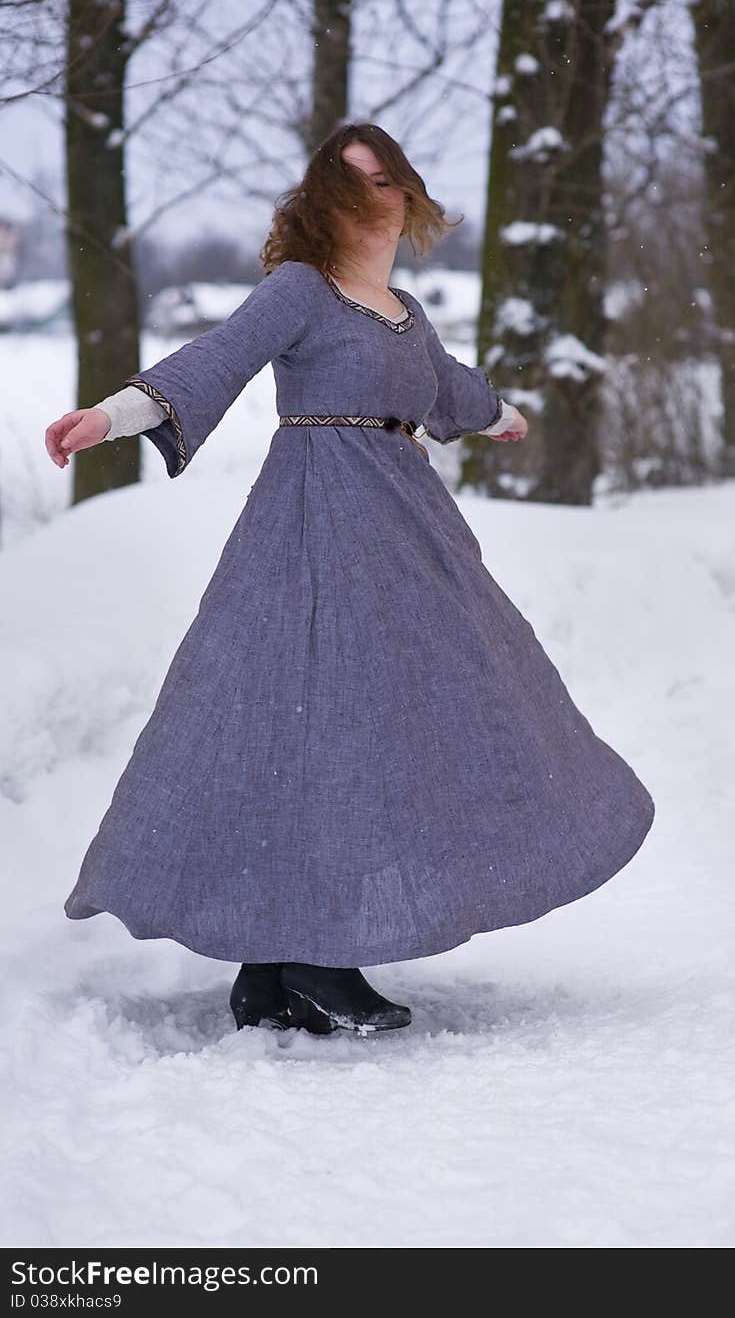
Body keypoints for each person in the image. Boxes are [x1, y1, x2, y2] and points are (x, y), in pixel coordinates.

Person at [46, 121, 656, 1040]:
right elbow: (220, 356)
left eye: (387, 182)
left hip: (405, 526)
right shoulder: (301, 291)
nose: (375, 199)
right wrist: (110, 417)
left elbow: (445, 387)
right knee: (312, 715)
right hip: (310, 521)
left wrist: (500, 416)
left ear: (407, 194)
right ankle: (317, 960)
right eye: (355, 184)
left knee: (426, 705)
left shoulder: (407, 310)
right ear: (324, 200)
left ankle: (270, 968)